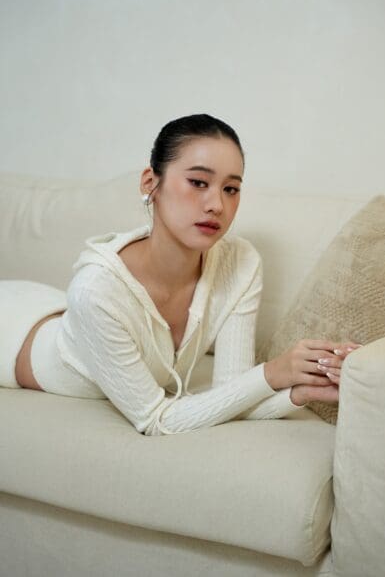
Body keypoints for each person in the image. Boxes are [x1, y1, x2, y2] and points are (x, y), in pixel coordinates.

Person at [0, 113, 361, 436]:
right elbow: (155, 419)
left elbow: (231, 394)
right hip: (10, 334)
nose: (216, 205)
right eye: (198, 182)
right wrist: (273, 373)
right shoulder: (95, 290)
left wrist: (300, 391)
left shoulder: (240, 262)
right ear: (150, 182)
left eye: (231, 189)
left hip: (48, 305)